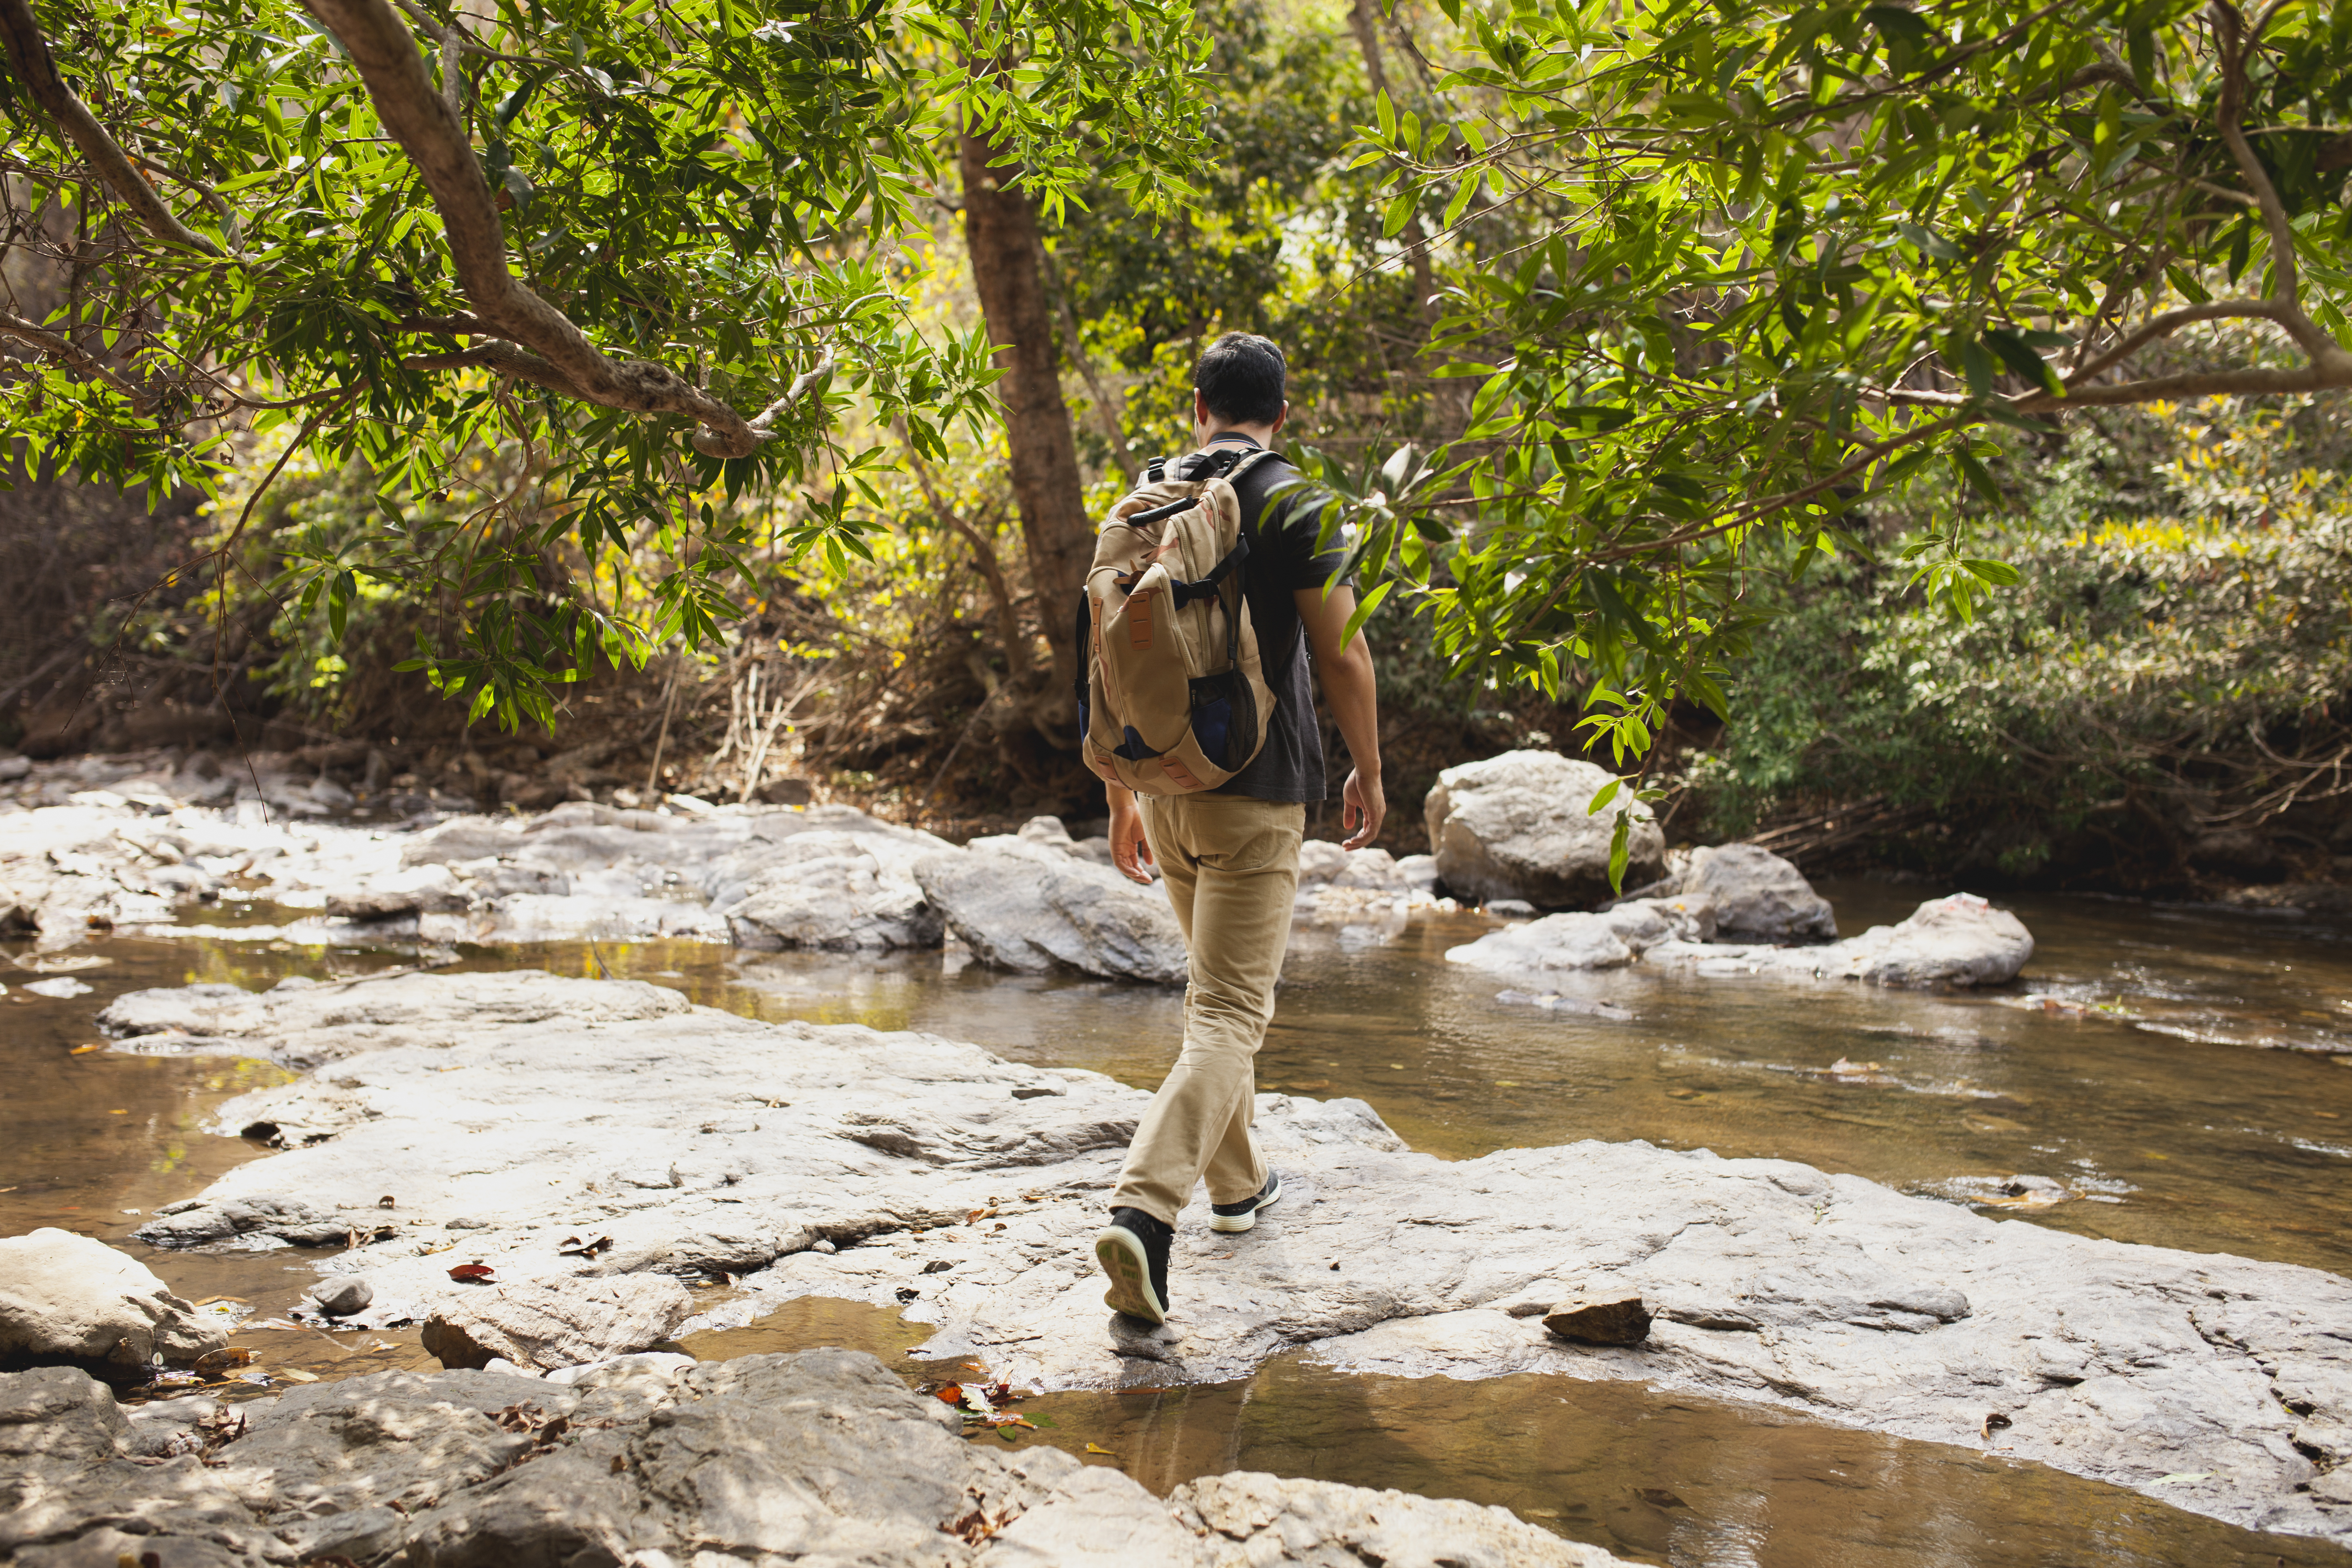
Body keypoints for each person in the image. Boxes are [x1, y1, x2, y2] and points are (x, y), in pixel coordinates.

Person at [1092, 331, 1385, 1325]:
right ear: (1283, 415)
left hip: (1165, 781)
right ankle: (1146, 1211)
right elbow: (1341, 657)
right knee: (1228, 1016)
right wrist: (1370, 771)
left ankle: (1238, 1188)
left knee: (1207, 1006)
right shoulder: (1297, 498)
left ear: (1199, 407)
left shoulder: (1147, 492)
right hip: (1257, 787)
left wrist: (1119, 790)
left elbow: (1110, 652)